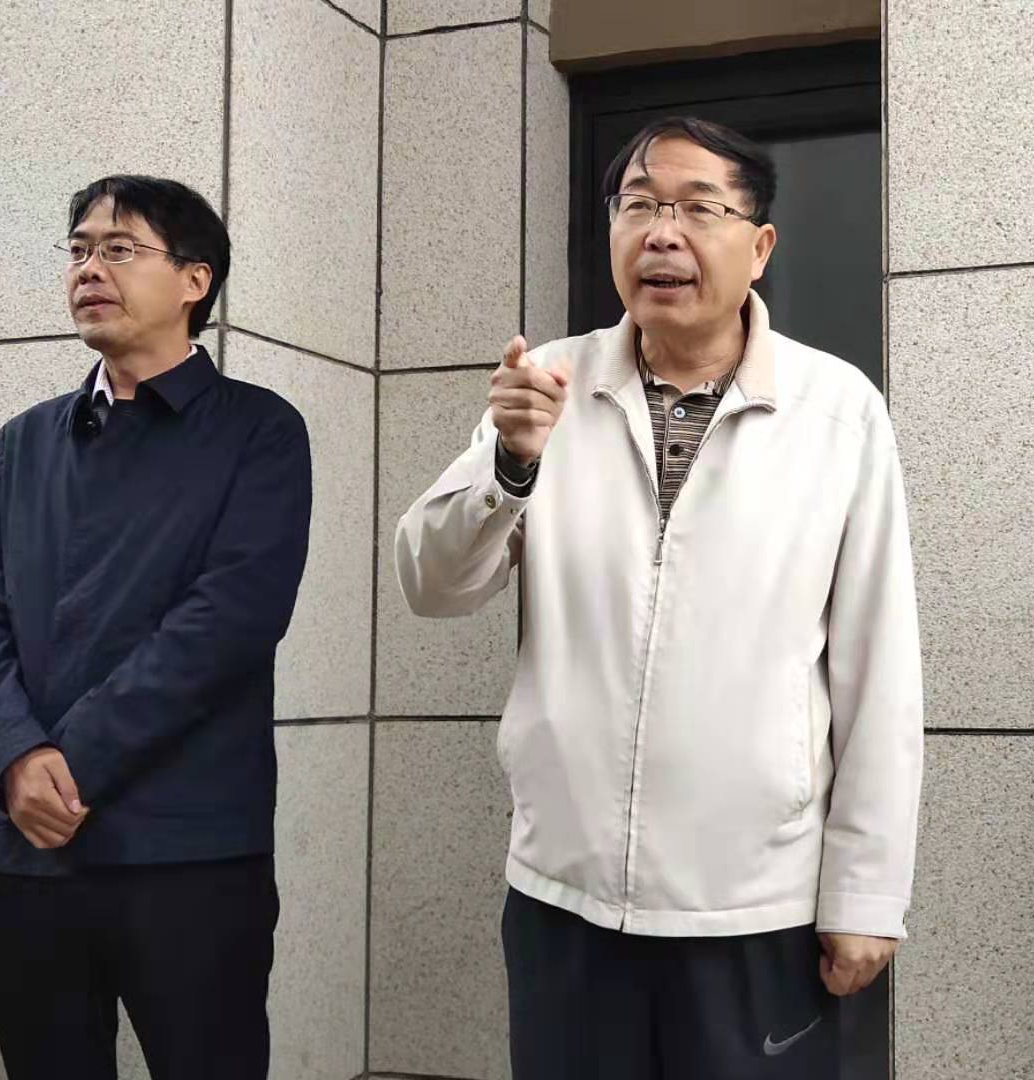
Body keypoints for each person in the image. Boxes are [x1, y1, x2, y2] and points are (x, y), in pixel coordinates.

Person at [395, 116, 924, 1080]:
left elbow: (878, 662)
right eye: (637, 206)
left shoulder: (836, 410)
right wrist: (510, 464)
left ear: (759, 246)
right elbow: (431, 584)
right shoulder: (550, 385)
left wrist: (867, 894)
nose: (661, 233)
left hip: (754, 902)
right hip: (565, 893)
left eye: (697, 208)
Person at [0, 175, 312, 1079]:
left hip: (189, 852)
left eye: (119, 249)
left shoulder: (259, 430)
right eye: (78, 250)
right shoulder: (26, 440)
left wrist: (71, 764)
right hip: (30, 852)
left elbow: (229, 623)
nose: (89, 269)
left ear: (195, 279)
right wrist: (15, 758)